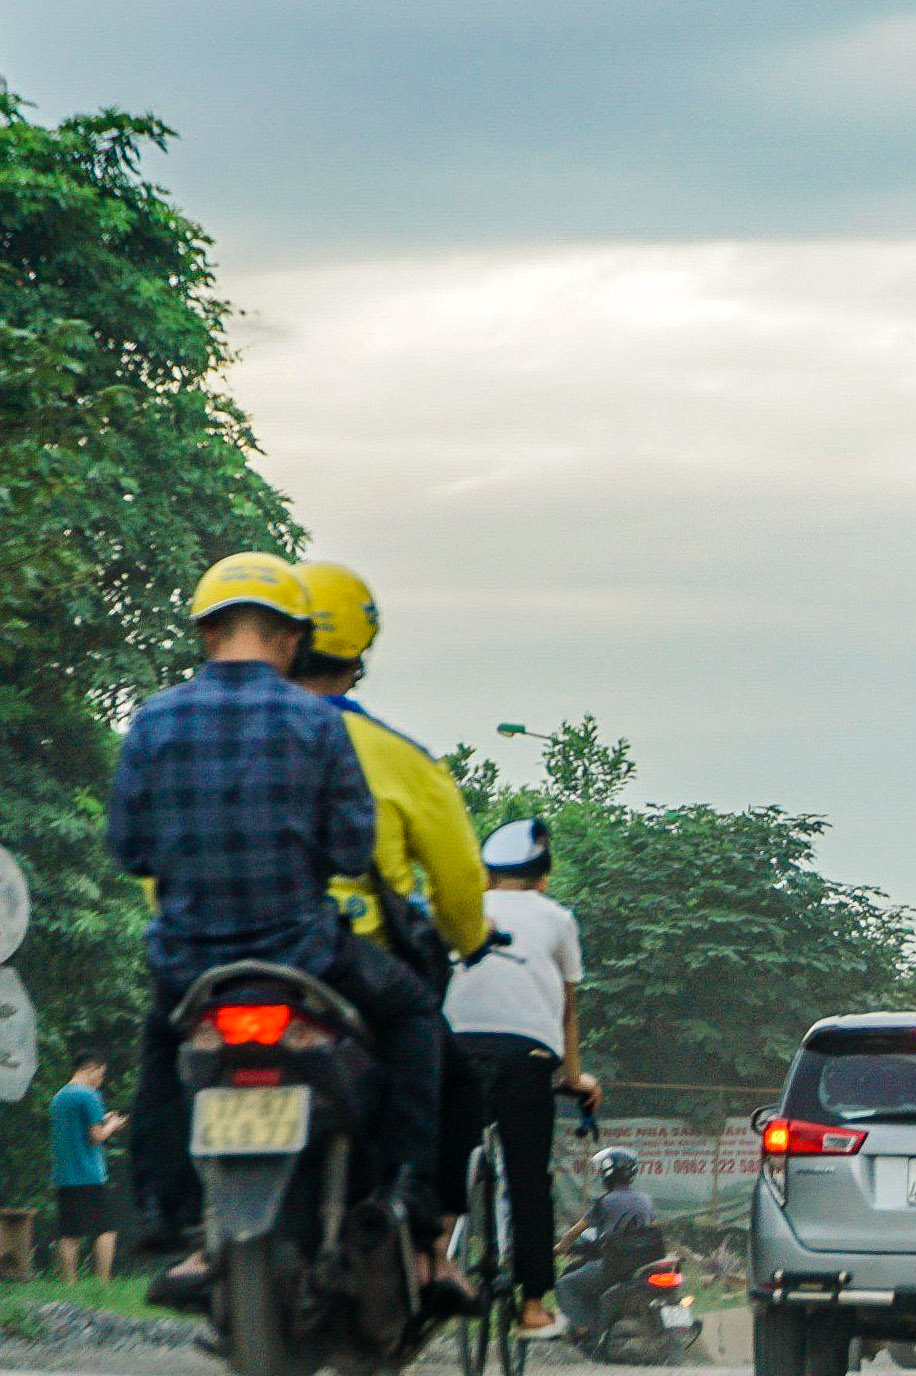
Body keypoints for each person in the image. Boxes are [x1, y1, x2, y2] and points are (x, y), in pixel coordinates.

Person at [108, 556, 442, 1306]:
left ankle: (165, 1209)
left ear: (204, 631)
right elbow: (353, 847)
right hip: (305, 956)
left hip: (190, 964)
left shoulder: (154, 721)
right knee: (414, 1012)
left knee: (162, 1046)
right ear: (291, 639)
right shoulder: (316, 721)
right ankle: (409, 1187)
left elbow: (129, 848)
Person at [289, 559, 491, 1305]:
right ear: (357, 654)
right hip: (355, 960)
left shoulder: (228, 738)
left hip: (229, 949)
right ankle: (429, 1246)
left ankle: (182, 1222)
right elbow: (460, 885)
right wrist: (466, 938)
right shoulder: (400, 758)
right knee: (455, 1079)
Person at [445, 816, 603, 1336]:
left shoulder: (462, 910)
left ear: (487, 876)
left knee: (444, 1164)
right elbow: (568, 1008)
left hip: (456, 1050)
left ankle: (430, 1268)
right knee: (528, 1179)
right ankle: (533, 1308)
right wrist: (576, 1077)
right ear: (543, 879)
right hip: (528, 1058)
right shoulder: (558, 918)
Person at [555, 1146, 657, 1335]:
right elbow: (654, 1227)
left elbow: (576, 1230)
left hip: (614, 1265)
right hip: (644, 1265)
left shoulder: (604, 1202)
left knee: (564, 1285)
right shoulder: (646, 1200)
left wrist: (560, 1247)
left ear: (607, 1175)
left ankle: (585, 1332)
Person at [48, 1052, 127, 1284]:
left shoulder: (60, 1097)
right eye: (101, 1075)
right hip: (88, 1174)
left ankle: (69, 1284)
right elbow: (96, 1136)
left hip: (64, 1175)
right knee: (106, 1229)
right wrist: (111, 1125)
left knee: (69, 1234)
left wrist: (102, 1118)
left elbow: (75, 1130)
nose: (100, 1080)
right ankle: (103, 1282)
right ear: (92, 1069)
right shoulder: (89, 1095)